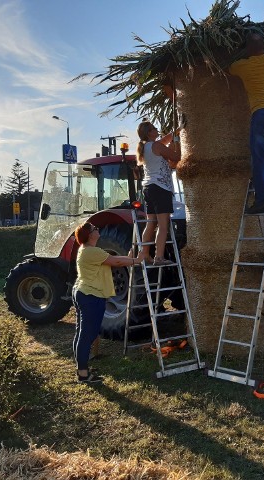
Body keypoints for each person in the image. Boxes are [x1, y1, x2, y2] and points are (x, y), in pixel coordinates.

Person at [72, 222, 143, 384]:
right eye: (95, 229)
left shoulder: (87, 250)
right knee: (87, 334)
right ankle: (83, 374)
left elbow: (113, 260)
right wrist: (136, 260)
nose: (98, 230)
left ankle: (81, 368)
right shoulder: (92, 251)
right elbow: (115, 262)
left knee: (82, 333)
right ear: (90, 235)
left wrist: (130, 258)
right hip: (90, 295)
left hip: (84, 292)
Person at [229, 32, 264, 214]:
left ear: (248, 49)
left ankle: (261, 201)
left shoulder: (242, 66)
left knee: (260, 160)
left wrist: (242, 51)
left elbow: (228, 66)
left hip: (262, 114)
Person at [136, 120, 182, 265]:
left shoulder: (146, 146)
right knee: (163, 225)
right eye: (155, 129)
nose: (157, 130)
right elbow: (176, 157)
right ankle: (159, 257)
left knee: (151, 223)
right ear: (149, 133)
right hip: (161, 188)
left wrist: (177, 130)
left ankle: (144, 254)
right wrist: (178, 142)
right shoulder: (156, 146)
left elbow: (165, 139)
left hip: (149, 188)